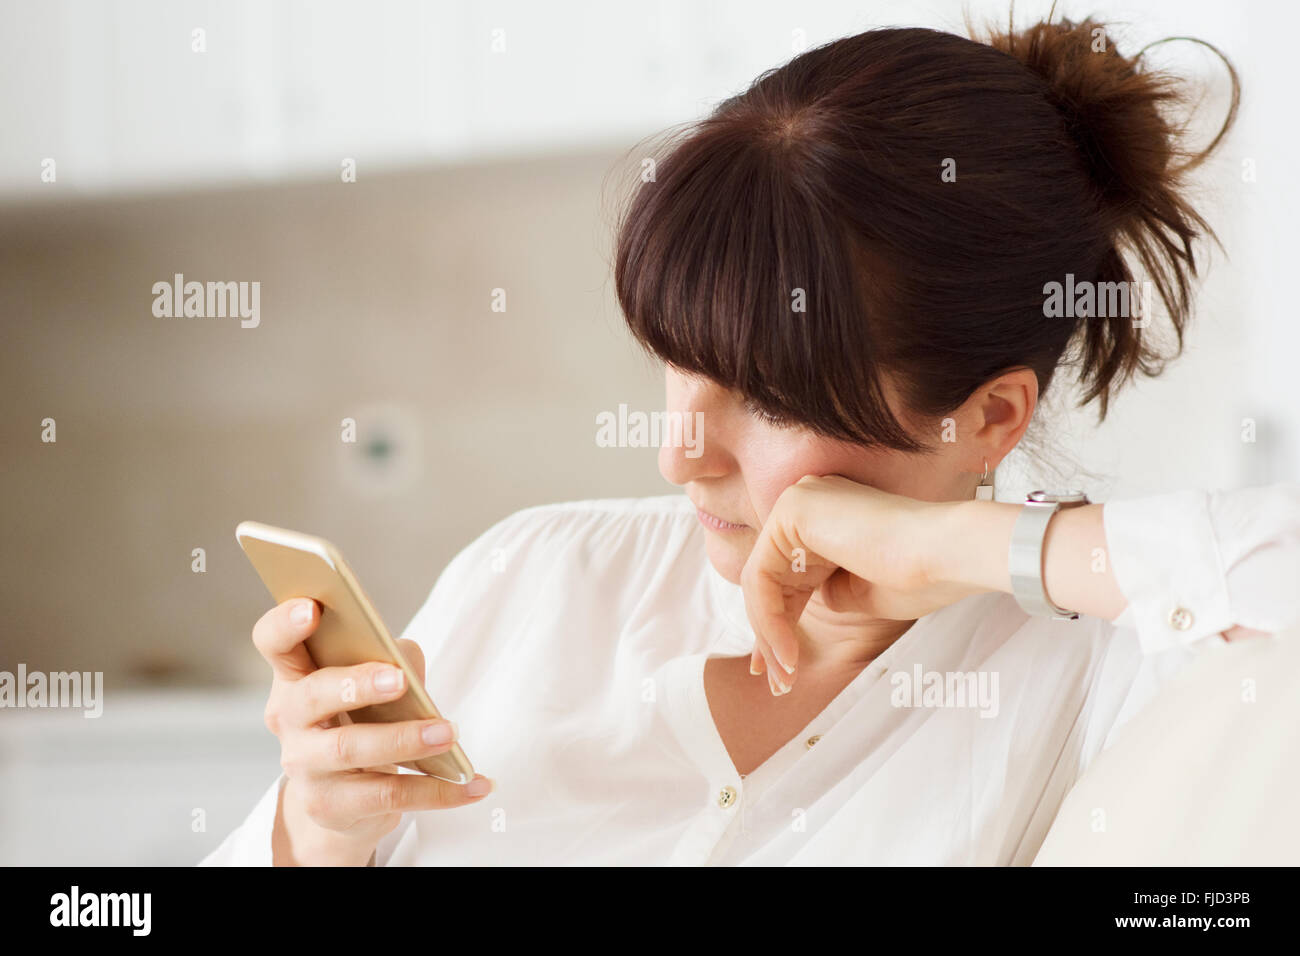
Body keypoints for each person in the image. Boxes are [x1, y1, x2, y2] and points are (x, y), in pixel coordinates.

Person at [202, 14, 1299, 866]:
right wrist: (314, 832)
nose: (680, 451)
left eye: (771, 397)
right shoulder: (533, 581)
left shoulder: (1095, 669)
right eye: (677, 359)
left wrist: (960, 546)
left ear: (990, 416)